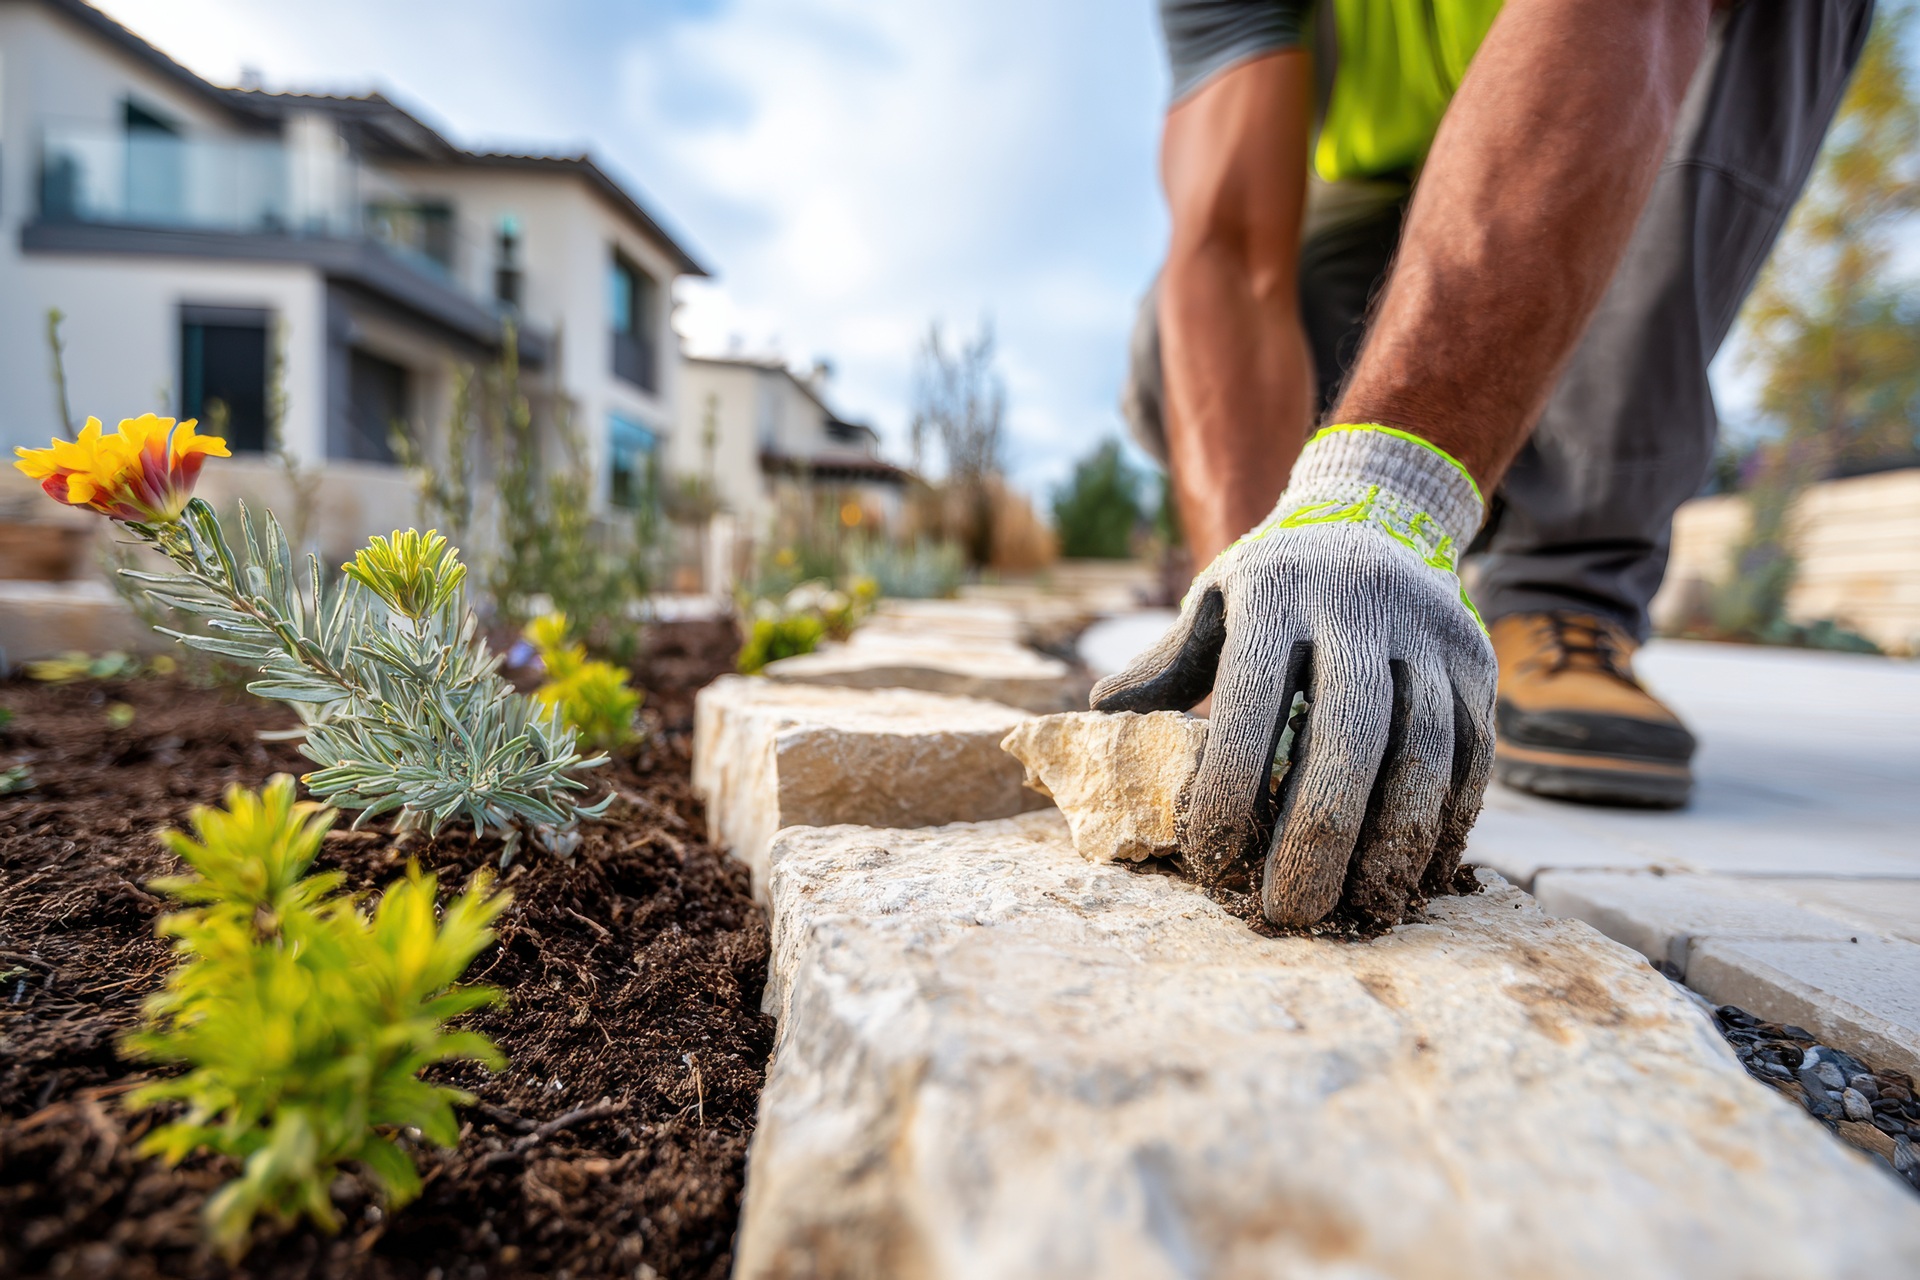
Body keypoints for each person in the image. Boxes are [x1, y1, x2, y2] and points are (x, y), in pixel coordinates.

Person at [1100, 0, 1874, 925]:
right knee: (1171, 346)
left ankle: (1566, 590)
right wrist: (1268, 632)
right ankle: (1311, 610)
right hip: (1390, 191)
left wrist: (1385, 491)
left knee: (1664, 139)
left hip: (1654, 79)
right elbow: (1227, 247)